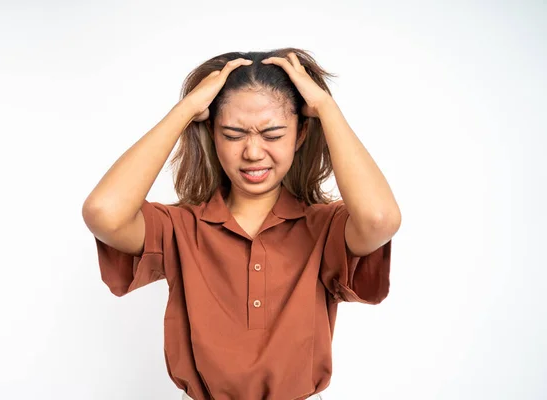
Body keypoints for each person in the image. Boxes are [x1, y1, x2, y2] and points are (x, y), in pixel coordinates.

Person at [82, 47, 401, 400]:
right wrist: (185, 111)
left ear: (301, 135)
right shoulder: (179, 227)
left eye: (273, 135)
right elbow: (104, 213)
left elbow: (379, 219)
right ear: (213, 135)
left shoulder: (324, 227)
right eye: (233, 135)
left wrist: (326, 108)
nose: (252, 152)